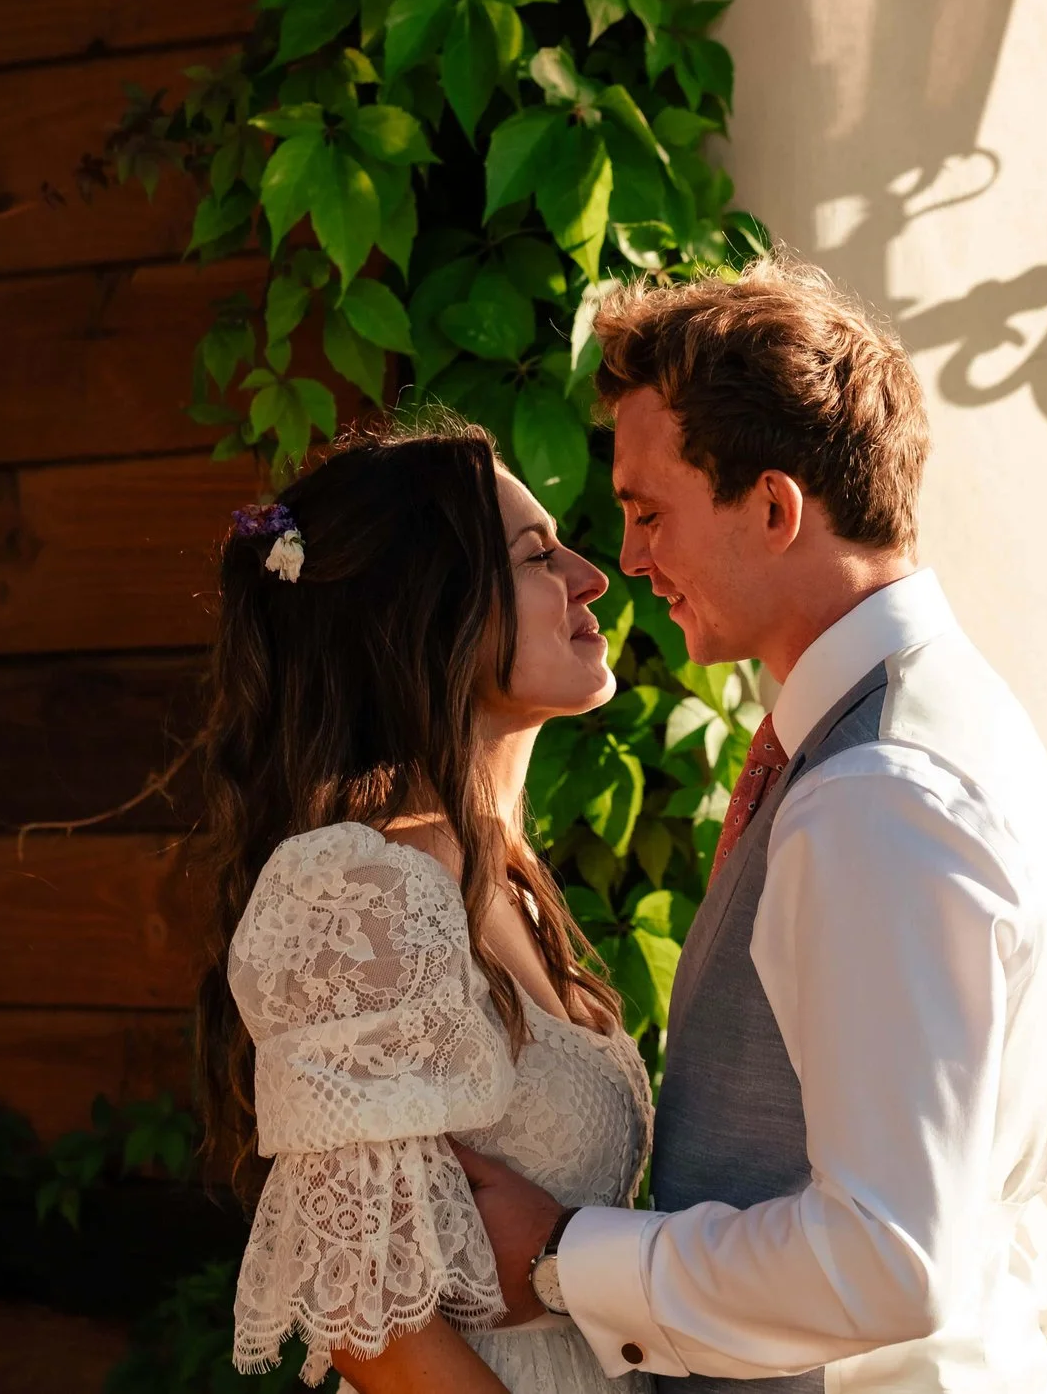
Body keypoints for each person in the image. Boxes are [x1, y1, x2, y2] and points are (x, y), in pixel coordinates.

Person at [460, 258, 1047, 1394]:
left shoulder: (877, 793)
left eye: (650, 512)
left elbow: (888, 1257)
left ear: (772, 507)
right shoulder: (915, 723)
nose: (630, 561)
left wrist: (564, 1257)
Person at [196, 416, 656, 1394]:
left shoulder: (506, 878)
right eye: (538, 555)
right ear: (429, 610)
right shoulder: (360, 883)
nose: (591, 576)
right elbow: (373, 1322)